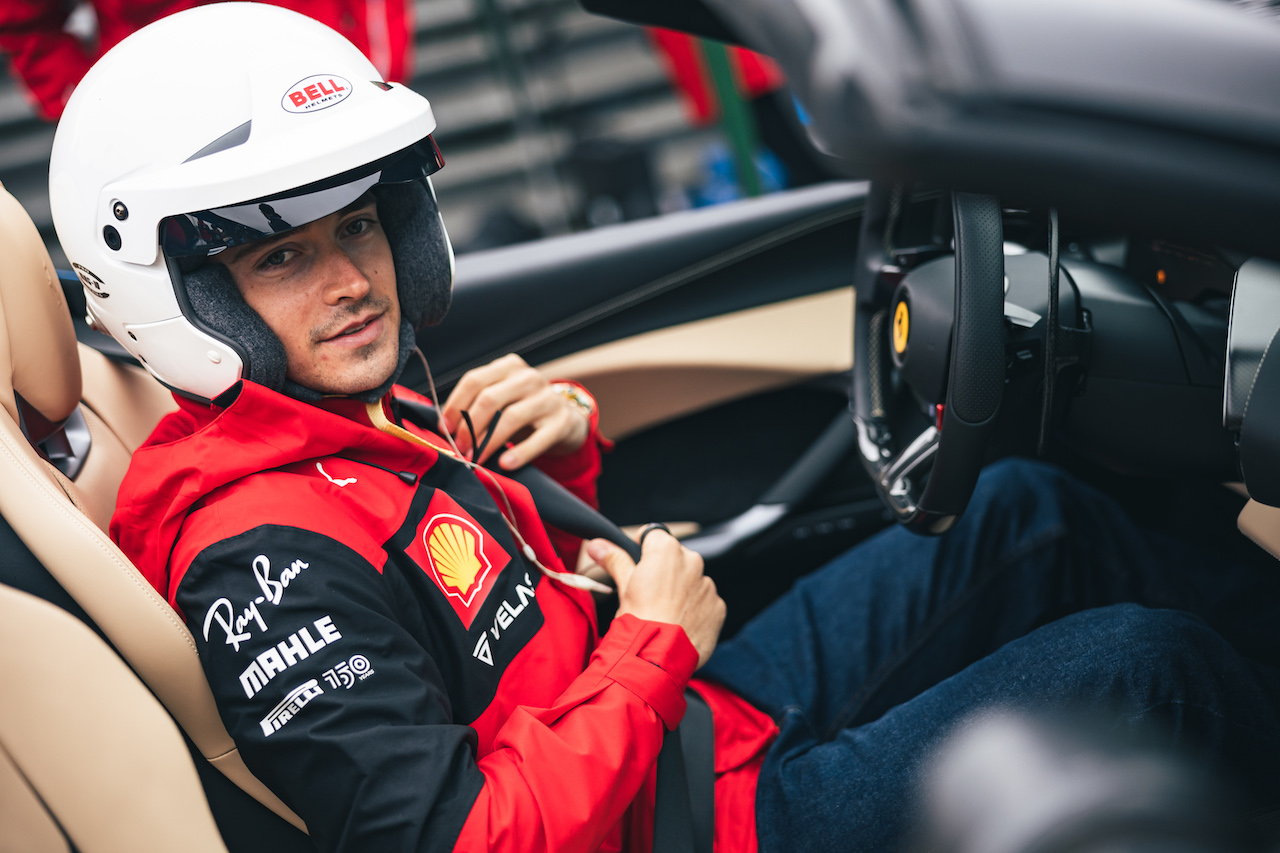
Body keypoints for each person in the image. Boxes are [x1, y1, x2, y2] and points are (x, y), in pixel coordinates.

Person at [49, 5, 1280, 852]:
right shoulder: (263, 559)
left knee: (1025, 512)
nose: (351, 281)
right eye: (282, 259)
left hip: (683, 744)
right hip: (689, 818)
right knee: (1142, 664)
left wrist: (558, 462)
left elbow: (481, 618)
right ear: (189, 294)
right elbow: (460, 837)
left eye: (360, 230)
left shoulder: (340, 418)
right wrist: (647, 645)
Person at [0, 0, 413, 120]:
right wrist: (92, 111)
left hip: (319, 97)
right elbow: (24, 18)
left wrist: (372, 79)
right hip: (169, 130)